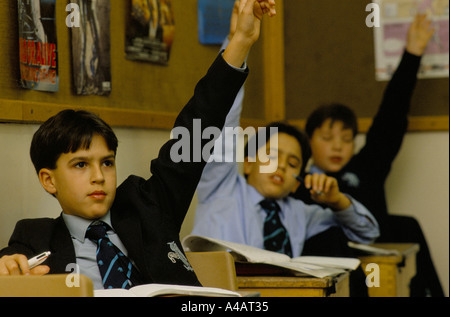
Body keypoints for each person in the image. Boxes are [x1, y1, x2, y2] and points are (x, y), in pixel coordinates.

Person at [0, 0, 277, 290]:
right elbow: (10, 262)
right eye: (81, 164)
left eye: (107, 162)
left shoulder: (148, 208)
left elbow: (198, 129)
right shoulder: (35, 237)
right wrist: (5, 266)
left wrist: (241, 41)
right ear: (49, 179)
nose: (99, 176)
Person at [191, 4, 379, 272]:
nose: (281, 166)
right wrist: (237, 43)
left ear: (296, 183)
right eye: (271, 156)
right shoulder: (220, 188)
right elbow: (221, 119)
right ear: (247, 164)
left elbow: (367, 233)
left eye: (293, 164)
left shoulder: (299, 213)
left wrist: (337, 201)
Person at [295, 13, 443, 297]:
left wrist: (412, 54)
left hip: (379, 252)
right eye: (327, 138)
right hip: (331, 266)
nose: (338, 146)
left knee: (406, 225)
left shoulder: (366, 167)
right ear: (309, 141)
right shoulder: (299, 183)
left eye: (346, 139)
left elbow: (391, 118)